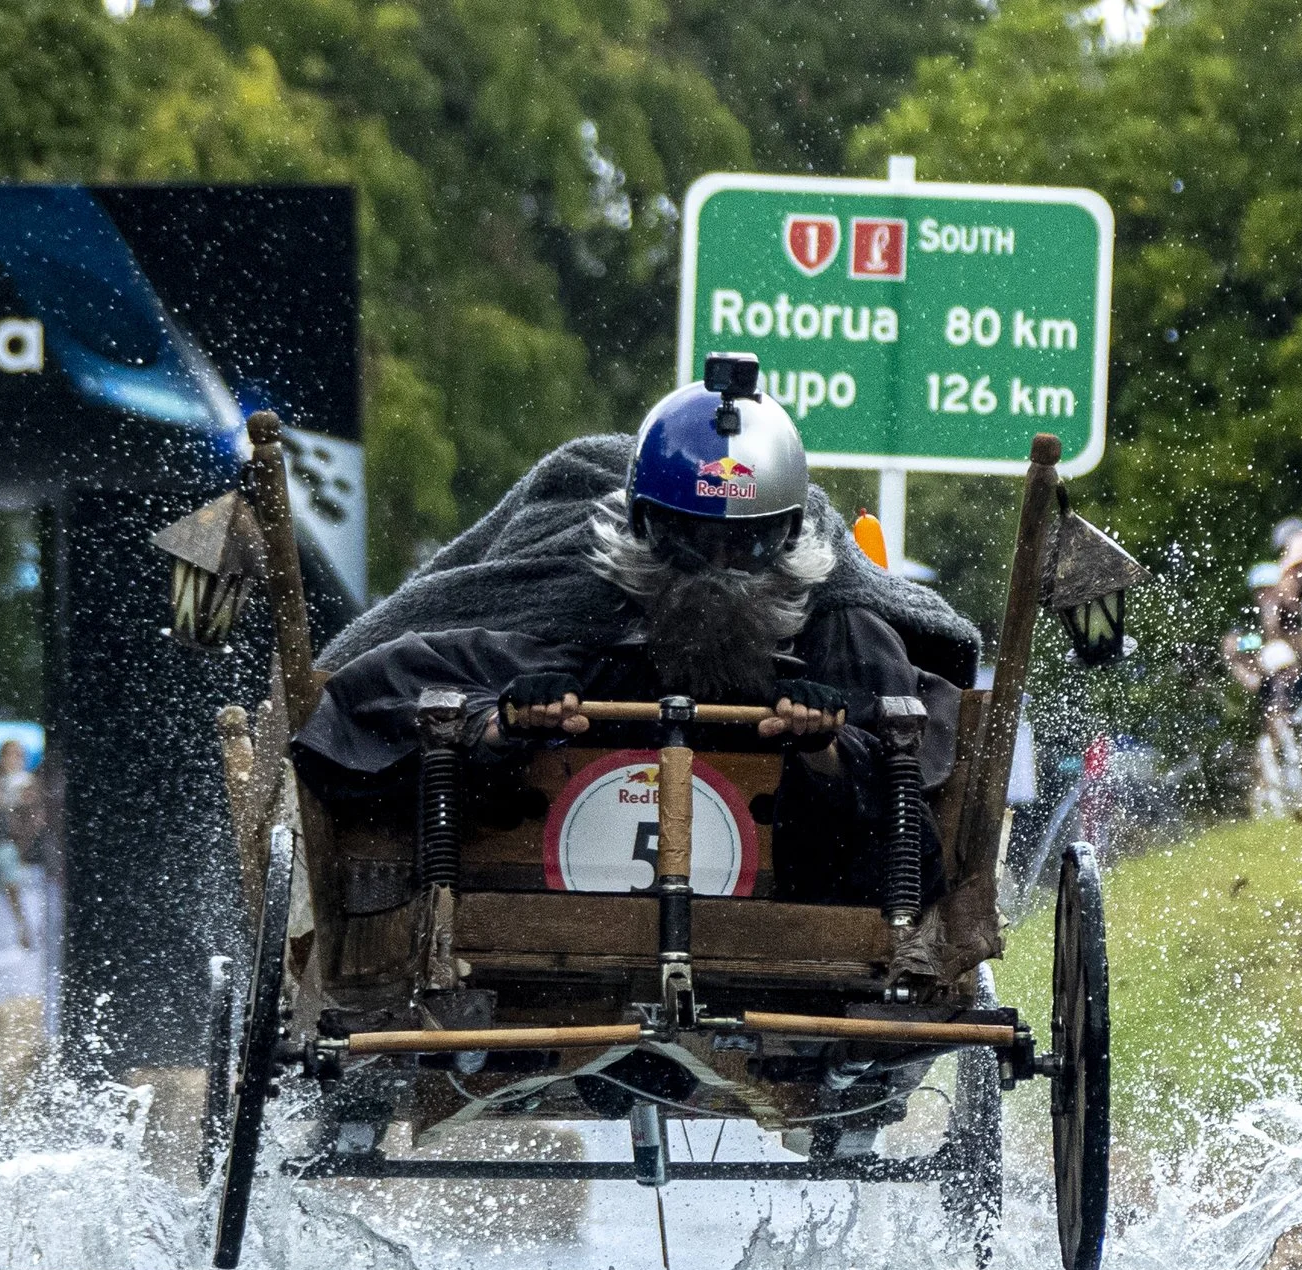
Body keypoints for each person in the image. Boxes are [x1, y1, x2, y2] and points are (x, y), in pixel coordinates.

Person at [298, 352, 973, 907]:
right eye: (691, 543)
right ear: (645, 533)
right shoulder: (575, 611)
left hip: (799, 947)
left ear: (789, 538)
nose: (719, 574)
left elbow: (916, 846)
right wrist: (499, 723)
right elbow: (371, 697)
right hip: (550, 948)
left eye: (745, 547)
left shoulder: (844, 631)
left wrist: (832, 751)